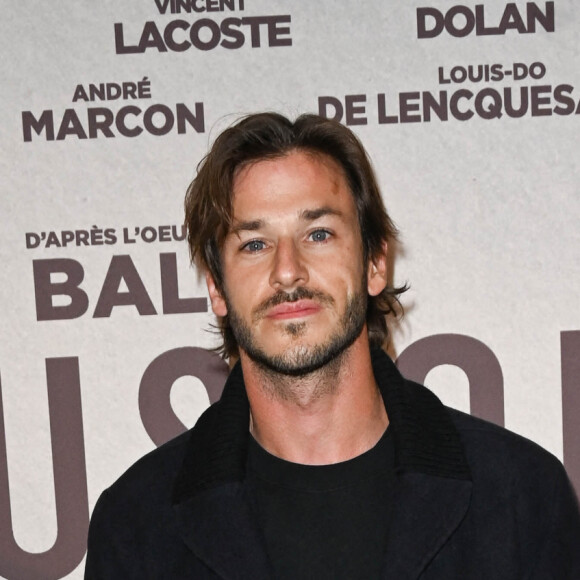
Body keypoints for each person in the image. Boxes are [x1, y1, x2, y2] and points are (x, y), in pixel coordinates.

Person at [85, 113, 580, 579]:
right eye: (254, 244)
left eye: (318, 234)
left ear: (375, 263)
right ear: (216, 286)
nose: (287, 270)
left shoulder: (521, 496)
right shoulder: (136, 525)